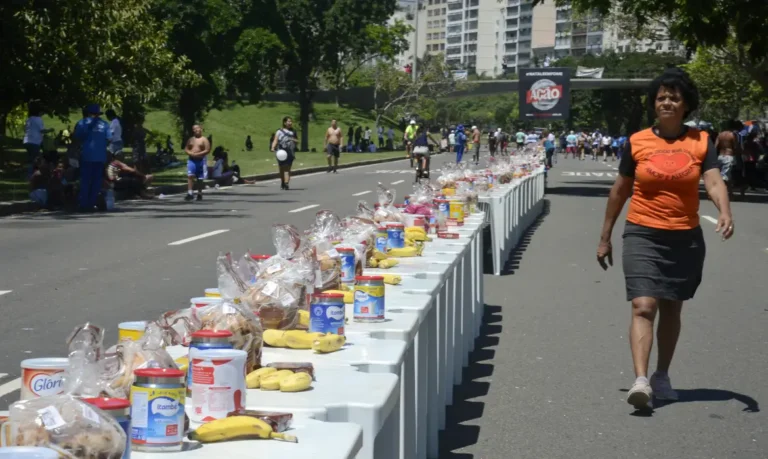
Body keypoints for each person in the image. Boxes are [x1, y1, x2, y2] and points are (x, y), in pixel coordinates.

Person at [597, 68, 733, 411]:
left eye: (674, 97)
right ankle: (641, 381)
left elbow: (713, 181)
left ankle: (661, 375)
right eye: (661, 97)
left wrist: (724, 210)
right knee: (644, 305)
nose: (667, 102)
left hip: (685, 236)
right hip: (642, 231)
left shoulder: (701, 141)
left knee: (672, 306)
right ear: (654, 104)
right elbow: (620, 191)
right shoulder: (638, 141)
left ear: (686, 104)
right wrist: (605, 237)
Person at [74, 104, 111, 211]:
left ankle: (83, 204)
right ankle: (92, 203)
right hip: (100, 156)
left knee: (85, 180)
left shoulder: (82, 123)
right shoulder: (105, 124)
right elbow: (109, 138)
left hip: (86, 155)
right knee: (96, 181)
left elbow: (77, 137)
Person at [23, 104, 53, 176]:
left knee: (33, 157)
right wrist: (50, 130)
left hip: (27, 140)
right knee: (35, 159)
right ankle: (32, 174)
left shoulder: (29, 119)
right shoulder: (38, 119)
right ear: (39, 112)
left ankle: (34, 173)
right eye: (42, 112)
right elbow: (42, 130)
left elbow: (25, 129)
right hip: (34, 141)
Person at [716, 120, 742, 198]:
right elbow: (736, 147)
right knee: (725, 177)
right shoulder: (732, 135)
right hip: (729, 156)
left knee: (727, 176)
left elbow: (715, 146)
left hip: (720, 156)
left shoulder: (720, 135)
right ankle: (719, 193)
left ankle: (730, 193)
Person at [184, 124, 211, 201]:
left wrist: (198, 154)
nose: (196, 130)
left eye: (197, 128)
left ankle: (199, 193)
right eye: (194, 129)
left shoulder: (204, 139)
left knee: (199, 178)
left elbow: (207, 150)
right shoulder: (191, 139)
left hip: (200, 160)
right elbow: (186, 148)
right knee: (190, 175)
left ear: (201, 129)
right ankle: (190, 193)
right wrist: (190, 153)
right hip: (191, 160)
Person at [271, 116, 297, 190]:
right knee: (281, 168)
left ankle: (286, 183)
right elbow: (275, 140)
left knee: (287, 168)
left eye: (291, 121)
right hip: (281, 152)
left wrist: (293, 140)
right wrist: (273, 147)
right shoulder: (279, 131)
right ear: (284, 123)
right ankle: (282, 181)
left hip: (290, 152)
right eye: (289, 121)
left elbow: (297, 141)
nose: (290, 123)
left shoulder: (293, 132)